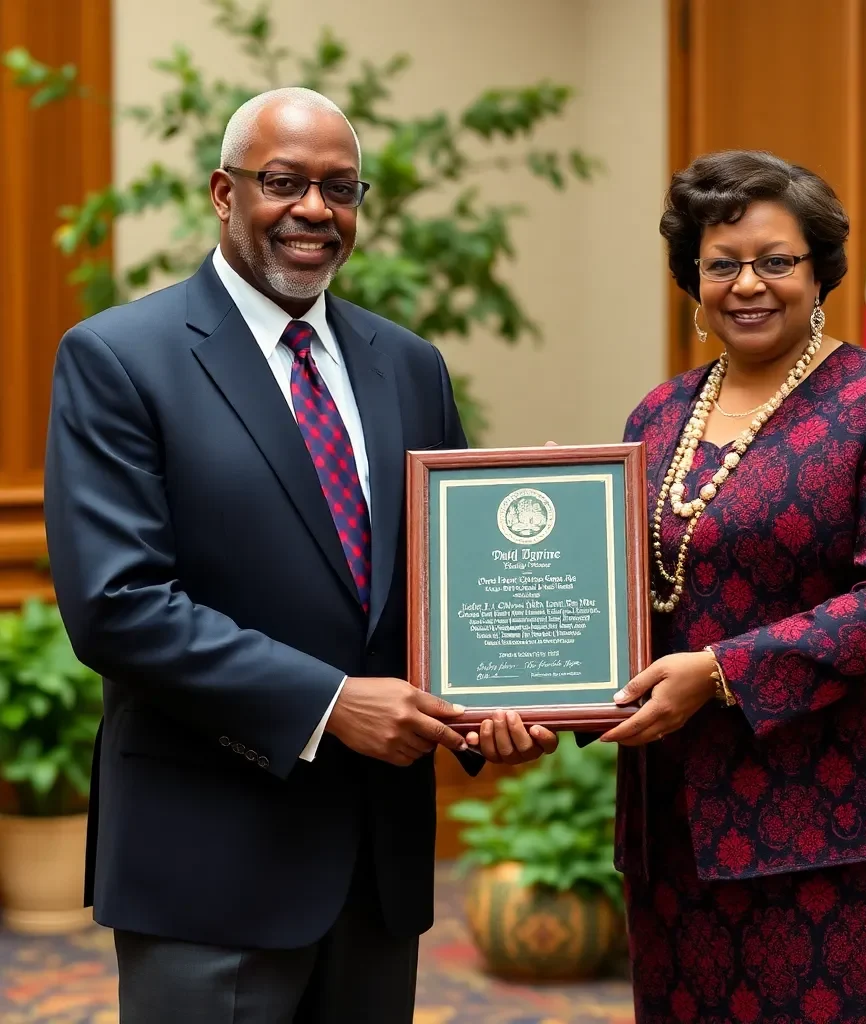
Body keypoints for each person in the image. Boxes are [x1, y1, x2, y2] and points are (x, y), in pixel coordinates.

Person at [43, 86, 556, 1024]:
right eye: (284, 182)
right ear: (223, 192)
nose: (315, 209)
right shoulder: (121, 357)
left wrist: (500, 695)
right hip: (209, 862)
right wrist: (328, 705)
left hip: (376, 865)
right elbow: (118, 604)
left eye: (341, 188)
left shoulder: (410, 364)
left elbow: (451, 580)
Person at [598, 150, 866, 1023]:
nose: (747, 284)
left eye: (776, 260)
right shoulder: (658, 413)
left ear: (820, 272)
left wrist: (722, 672)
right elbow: (641, 585)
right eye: (721, 263)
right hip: (679, 827)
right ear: (694, 279)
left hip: (842, 828)